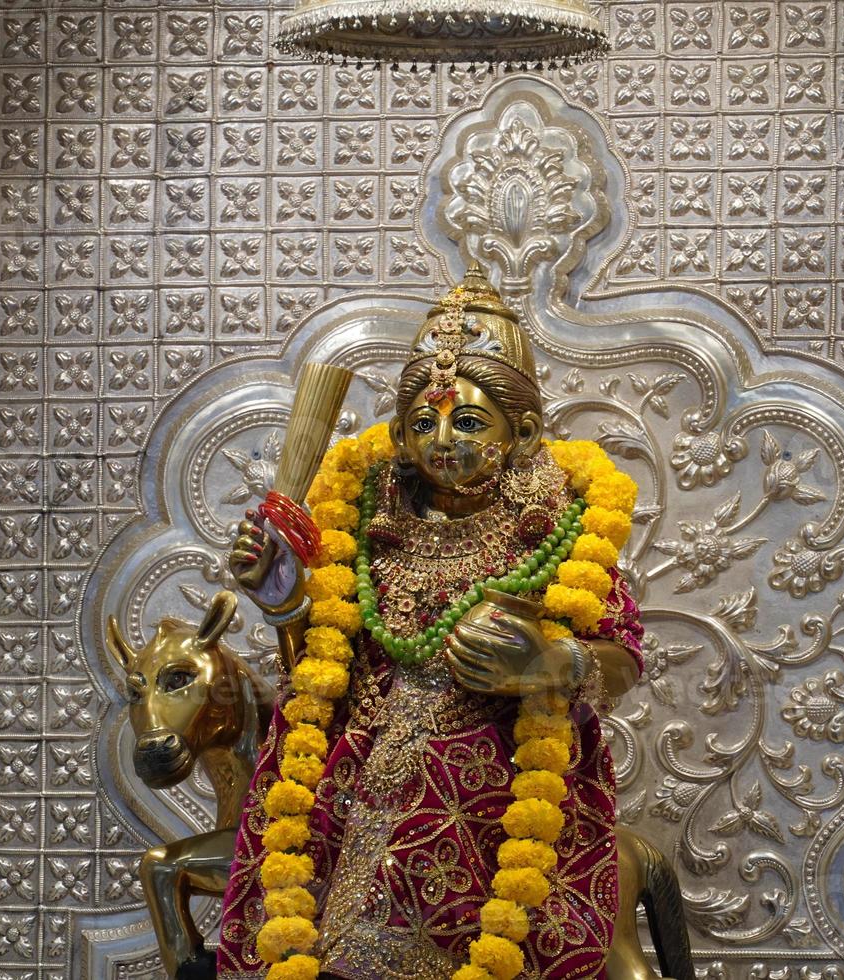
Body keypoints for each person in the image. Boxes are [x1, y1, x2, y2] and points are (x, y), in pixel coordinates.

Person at [216, 266, 643, 980]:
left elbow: (621, 660)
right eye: (422, 421)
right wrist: (284, 600)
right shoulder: (365, 511)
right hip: (352, 784)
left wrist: (551, 662)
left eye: (468, 419)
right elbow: (317, 667)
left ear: (524, 430)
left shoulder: (561, 522)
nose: (441, 438)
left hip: (498, 784)